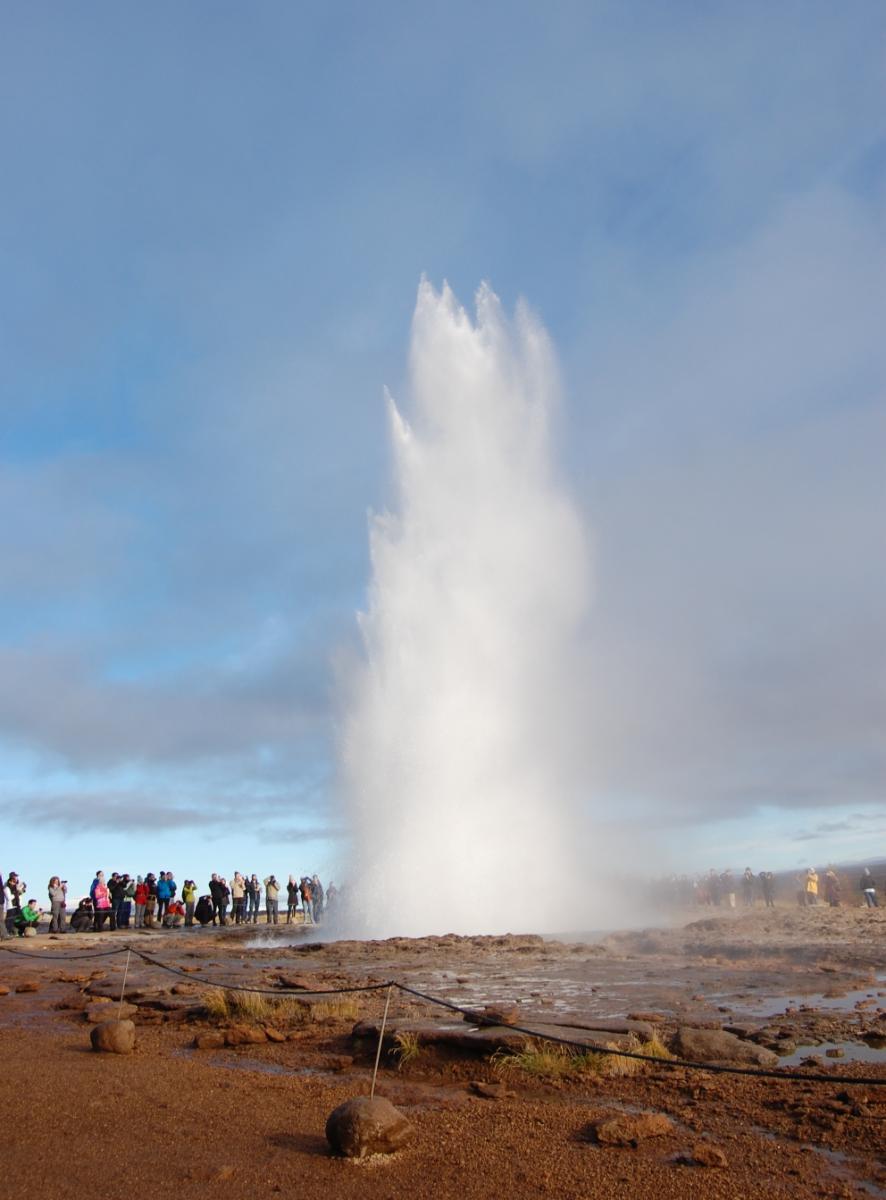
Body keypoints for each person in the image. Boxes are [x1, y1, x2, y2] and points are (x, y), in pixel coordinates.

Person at [0, 872, 12, 940]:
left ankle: (4, 935)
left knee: (1, 920)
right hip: (1, 901)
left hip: (1, 901)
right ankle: (4, 935)